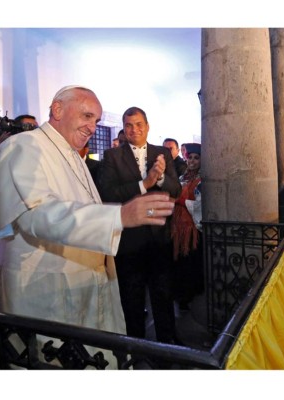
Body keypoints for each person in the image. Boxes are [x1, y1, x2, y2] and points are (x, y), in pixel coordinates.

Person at [0, 86, 174, 346]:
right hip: (44, 292)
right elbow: (37, 214)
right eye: (87, 116)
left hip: (81, 289)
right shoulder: (23, 146)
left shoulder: (71, 155)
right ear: (57, 109)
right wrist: (118, 217)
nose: (92, 127)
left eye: (97, 120)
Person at [99, 106, 182, 343]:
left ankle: (168, 350)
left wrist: (162, 177)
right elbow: (108, 193)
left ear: (147, 126)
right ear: (123, 129)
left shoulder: (162, 153)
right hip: (129, 241)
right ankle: (135, 351)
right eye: (128, 125)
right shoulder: (112, 156)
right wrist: (145, 183)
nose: (134, 129)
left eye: (138, 124)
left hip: (159, 239)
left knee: (163, 299)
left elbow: (176, 189)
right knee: (131, 301)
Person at [171, 143, 203, 311]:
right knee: (178, 261)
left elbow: (200, 205)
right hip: (177, 225)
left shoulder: (201, 181)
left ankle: (188, 296)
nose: (192, 161)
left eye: (196, 158)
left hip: (191, 229)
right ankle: (178, 294)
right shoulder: (182, 177)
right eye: (190, 157)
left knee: (189, 262)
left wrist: (181, 201)